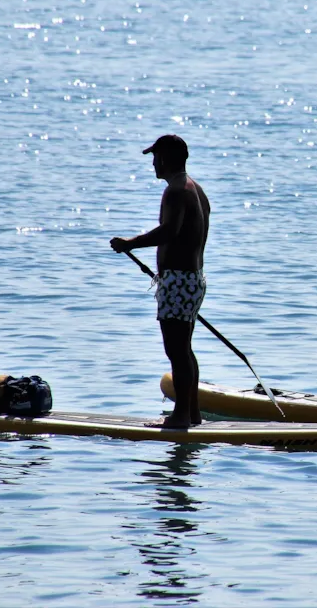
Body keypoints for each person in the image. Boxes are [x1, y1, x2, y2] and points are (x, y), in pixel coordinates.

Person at [110, 134, 210, 427]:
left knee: (176, 351)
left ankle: (180, 416)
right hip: (192, 280)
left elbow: (169, 232)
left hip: (179, 282)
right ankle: (192, 414)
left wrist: (130, 242)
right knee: (184, 349)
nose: (153, 163)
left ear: (165, 158)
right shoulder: (196, 189)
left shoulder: (176, 191)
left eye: (155, 157)